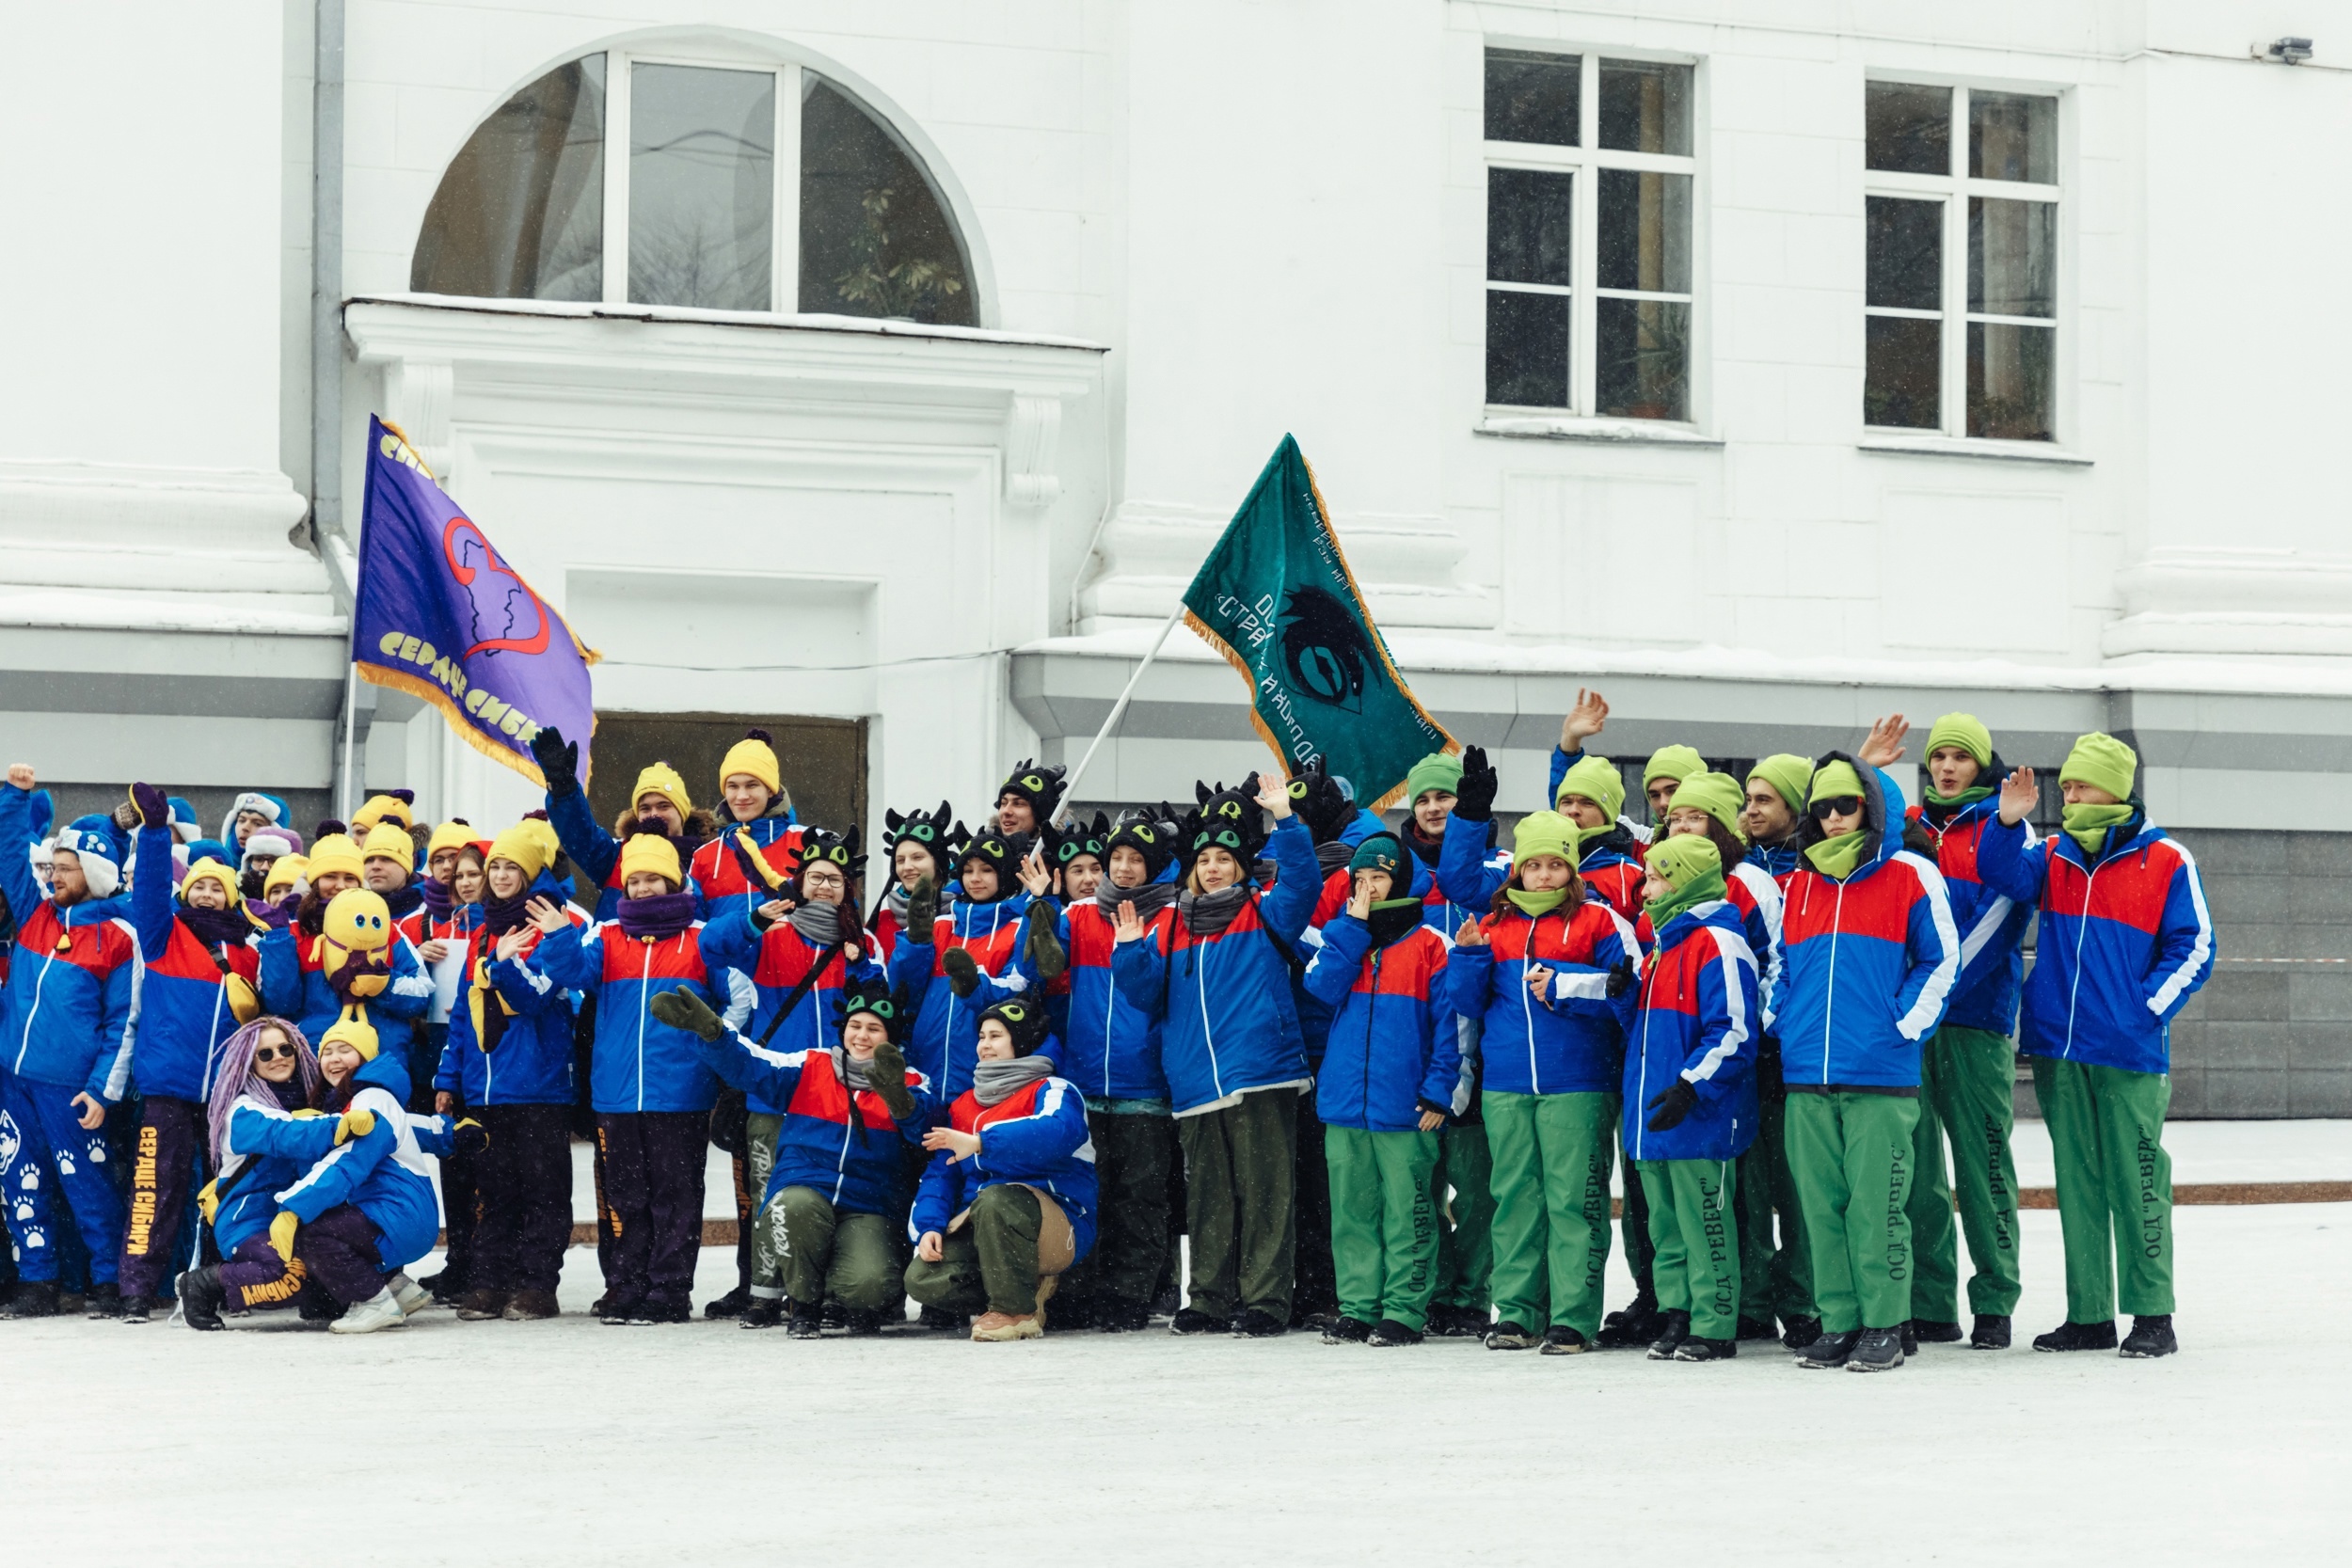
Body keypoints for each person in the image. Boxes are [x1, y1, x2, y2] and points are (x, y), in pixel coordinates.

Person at [1978, 733, 2214, 1359]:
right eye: (2069, 786)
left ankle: (2152, 1313)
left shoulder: (2165, 859)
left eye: (2081, 784)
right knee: (2077, 1182)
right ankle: (2089, 1314)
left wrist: (2146, 1009)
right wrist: (2006, 821)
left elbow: (2194, 946)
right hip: (2060, 1047)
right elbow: (1998, 869)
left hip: (2129, 1051)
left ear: (2115, 787)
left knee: (2137, 1180)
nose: (2070, 793)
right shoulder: (2052, 853)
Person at [1111, 773, 1319, 1338]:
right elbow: (1145, 995)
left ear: (1243, 868)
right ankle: (1206, 1298)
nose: (1213, 868)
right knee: (1208, 1201)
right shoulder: (1170, 924)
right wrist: (1130, 952)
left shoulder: (1266, 913)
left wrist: (1286, 819)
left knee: (1266, 1195)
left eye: (1225, 859)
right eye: (1205, 860)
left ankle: (1265, 1302)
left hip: (1260, 1072)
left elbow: (1304, 881)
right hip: (1195, 1082)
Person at [1778, 752, 1958, 1373]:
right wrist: (1785, 1022)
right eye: (1820, 807)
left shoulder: (1908, 874)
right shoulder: (1799, 883)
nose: (1832, 818)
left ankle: (1886, 1320)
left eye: (1845, 804)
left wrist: (1900, 1026)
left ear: (1871, 808)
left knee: (1876, 1205)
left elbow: (1940, 959)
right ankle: (1840, 1321)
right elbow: (1781, 967)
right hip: (1806, 1073)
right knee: (1819, 1209)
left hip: (1879, 1074)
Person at [532, 830, 750, 1324]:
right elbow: (571, 974)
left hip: (681, 1094)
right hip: (616, 1093)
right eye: (635, 879)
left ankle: (670, 1291)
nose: (644, 887)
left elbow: (740, 1000)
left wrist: (716, 1044)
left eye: (654, 877)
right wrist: (558, 932)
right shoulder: (606, 936)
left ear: (673, 881)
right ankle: (626, 1285)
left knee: (676, 1196)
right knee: (626, 1196)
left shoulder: (701, 940)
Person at [1445, 811, 1637, 1354]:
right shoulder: (1493, 925)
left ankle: (1573, 1316)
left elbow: (1629, 992)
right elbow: (1466, 1005)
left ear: (1572, 870)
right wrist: (1469, 957)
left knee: (1574, 1201)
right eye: (1534, 865)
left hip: (1577, 1082)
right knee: (1515, 1200)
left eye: (1557, 864)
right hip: (1506, 1083)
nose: (1545, 875)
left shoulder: (1599, 922)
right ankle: (1517, 1312)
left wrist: (1567, 984)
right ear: (1518, 871)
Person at [653, 978, 936, 1335]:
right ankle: (804, 1304)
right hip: (806, 1186)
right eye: (855, 1026)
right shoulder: (811, 1065)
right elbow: (753, 1066)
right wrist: (713, 1032)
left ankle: (847, 1296)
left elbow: (925, 1130)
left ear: (890, 1036)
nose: (862, 1036)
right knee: (794, 1208)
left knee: (870, 1286)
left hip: (870, 1204)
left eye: (874, 1029)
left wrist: (899, 1099)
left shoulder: (914, 1082)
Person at [1879, 712, 2035, 1351]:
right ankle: (1931, 1301)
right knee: (1916, 1170)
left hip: (1973, 1021)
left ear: (1982, 766)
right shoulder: (1909, 828)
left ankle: (1995, 1300)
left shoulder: (2004, 830)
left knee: (1983, 1163)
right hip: (1915, 1023)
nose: (1946, 766)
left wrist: (1931, 993)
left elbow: (2000, 921)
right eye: (1939, 755)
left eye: (1960, 758)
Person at [699, 825, 882, 1323]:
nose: (825, 887)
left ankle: (821, 1292)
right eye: (817, 877)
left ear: (848, 890)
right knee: (769, 1194)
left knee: (826, 1195)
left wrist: (862, 968)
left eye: (836, 881)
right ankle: (764, 1291)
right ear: (798, 882)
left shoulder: (860, 942)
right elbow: (711, 948)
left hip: (838, 1098)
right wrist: (754, 919)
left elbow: (881, 1012)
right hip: (774, 1091)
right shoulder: (771, 935)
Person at [1302, 833, 1458, 1347]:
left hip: (1406, 1108)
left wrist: (1438, 1092)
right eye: (1361, 880)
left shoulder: (1433, 945)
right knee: (1352, 1215)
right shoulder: (1342, 937)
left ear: (1402, 881)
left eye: (1380, 878)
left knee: (1409, 1213)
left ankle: (1404, 1310)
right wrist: (1353, 928)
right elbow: (1320, 988)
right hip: (1345, 1105)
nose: (1368, 889)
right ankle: (1358, 1307)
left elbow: (1450, 1026)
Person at [116, 784, 263, 1322]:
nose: (205, 895)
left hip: (227, 1097)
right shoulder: (162, 935)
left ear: (231, 896)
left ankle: (219, 1286)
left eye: (216, 889)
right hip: (166, 1091)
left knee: (224, 1194)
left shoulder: (247, 952)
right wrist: (155, 833)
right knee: (154, 1192)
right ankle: (135, 1288)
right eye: (198, 887)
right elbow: (150, 890)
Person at [0, 765, 140, 1320]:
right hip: (15, 1080)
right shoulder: (35, 915)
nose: (54, 876)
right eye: (53, 867)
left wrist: (101, 1092)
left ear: (97, 874)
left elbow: (122, 1026)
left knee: (87, 1186)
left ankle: (107, 1280)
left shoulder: (118, 936)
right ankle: (38, 1281)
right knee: (19, 1180)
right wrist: (15, 796)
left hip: (72, 1089)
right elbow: (11, 850)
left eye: (66, 868)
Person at [1657, 768, 1790, 1341]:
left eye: (1697, 816)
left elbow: (1778, 962)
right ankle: (1700, 1303)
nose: (1683, 824)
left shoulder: (1749, 882)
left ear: (1724, 824)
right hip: (1684, 1058)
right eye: (1675, 817)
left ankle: (1765, 1301)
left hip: (1744, 1051)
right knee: (1703, 1192)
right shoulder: (1661, 886)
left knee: (1759, 1185)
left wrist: (1759, 1032)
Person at [1623, 833, 1761, 1363]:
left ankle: (1715, 1320)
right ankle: (1678, 1311)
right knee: (1667, 1224)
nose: (1644, 888)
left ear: (1685, 879)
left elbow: (1734, 1031)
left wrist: (1690, 1084)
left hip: (1697, 1113)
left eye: (1656, 877)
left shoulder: (1718, 942)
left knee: (1705, 1221)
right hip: (1655, 1113)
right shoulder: (1663, 943)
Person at [437, 826, 579, 1323]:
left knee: (543, 1191)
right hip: (485, 1088)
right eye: (494, 866)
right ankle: (490, 1281)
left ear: (532, 872)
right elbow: (462, 1011)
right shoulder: (483, 929)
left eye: (510, 867)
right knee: (493, 1192)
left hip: (537, 1084)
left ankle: (537, 1285)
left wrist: (501, 968)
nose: (498, 875)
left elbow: (537, 997)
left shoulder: (554, 925)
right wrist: (448, 1079)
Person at [1044, 810, 1179, 1333]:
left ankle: (1130, 1295)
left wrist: (1132, 946)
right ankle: (1079, 1290)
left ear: (1152, 868)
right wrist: (1038, 903)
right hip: (1083, 1083)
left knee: (1140, 1198)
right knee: (1085, 1191)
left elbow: (1155, 994)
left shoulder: (1169, 918)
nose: (1123, 869)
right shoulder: (1076, 915)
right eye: (1115, 859)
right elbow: (1040, 968)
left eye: (1135, 860)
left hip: (1143, 1083)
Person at [904, 997, 1097, 1342]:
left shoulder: (1055, 1090)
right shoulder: (964, 1103)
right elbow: (941, 1173)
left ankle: (1015, 1313)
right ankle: (1026, 1288)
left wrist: (981, 1143)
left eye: (996, 1036)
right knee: (922, 1279)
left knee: (997, 1199)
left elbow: (1056, 1132)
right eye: (981, 1036)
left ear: (1020, 1041)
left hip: (1056, 1222)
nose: (985, 1044)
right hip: (984, 1224)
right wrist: (930, 1225)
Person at [270, 1008, 444, 1334]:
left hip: (397, 1217)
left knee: (314, 1233)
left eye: (345, 1050)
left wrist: (293, 1208)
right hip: (400, 1216)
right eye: (327, 1052)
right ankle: (399, 1291)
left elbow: (350, 1161)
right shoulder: (362, 1099)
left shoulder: (370, 1099)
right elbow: (414, 1127)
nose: (334, 1059)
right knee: (335, 1242)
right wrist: (449, 1132)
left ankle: (374, 1303)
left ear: (366, 1057)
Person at [177, 1016, 327, 1329]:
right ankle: (203, 1284)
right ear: (248, 1061)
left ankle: (320, 1296)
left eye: (285, 1049)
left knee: (351, 1253)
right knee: (289, 1274)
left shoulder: (316, 1098)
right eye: (265, 1053)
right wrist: (340, 1126)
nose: (279, 1058)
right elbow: (284, 1135)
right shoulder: (242, 1110)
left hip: (299, 1217)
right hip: (249, 1220)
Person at [887, 828, 1060, 1101]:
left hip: (982, 1075)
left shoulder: (1016, 929)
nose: (975, 879)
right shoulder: (943, 925)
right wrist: (915, 943)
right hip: (926, 1067)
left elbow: (1021, 990)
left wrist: (973, 984)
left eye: (986, 870)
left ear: (1003, 874)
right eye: (968, 871)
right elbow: (905, 989)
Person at [257, 837, 434, 1077]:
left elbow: (422, 994)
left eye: (349, 878)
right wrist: (278, 941)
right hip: (318, 1059)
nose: (340, 885)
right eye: (331, 876)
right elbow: (281, 1004)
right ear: (315, 881)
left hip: (381, 1059)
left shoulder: (385, 929)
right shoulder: (295, 933)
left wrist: (384, 984)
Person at [529, 725, 715, 921]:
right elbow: (580, 834)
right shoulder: (615, 857)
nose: (654, 814)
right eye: (645, 808)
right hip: (615, 951)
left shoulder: (709, 858)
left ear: (682, 812)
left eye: (663, 806)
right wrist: (563, 790)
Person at [687, 729, 805, 903]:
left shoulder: (807, 842)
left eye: (751, 785)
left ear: (770, 790)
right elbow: (698, 928)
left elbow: (838, 913)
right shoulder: (703, 857)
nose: (741, 796)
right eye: (733, 786)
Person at [871, 801, 954, 965]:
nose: (907, 867)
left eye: (917, 857)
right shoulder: (882, 923)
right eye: (900, 860)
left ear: (937, 862)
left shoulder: (963, 915)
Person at [1741, 755, 1814, 879]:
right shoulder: (1733, 864)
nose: (1750, 810)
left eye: (1763, 800)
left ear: (1793, 806)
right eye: (1749, 800)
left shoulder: (1820, 873)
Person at [992, 760, 1068, 839]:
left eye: (1018, 803)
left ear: (1041, 814)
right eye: (1003, 803)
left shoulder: (1061, 850)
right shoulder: (980, 849)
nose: (1006, 811)